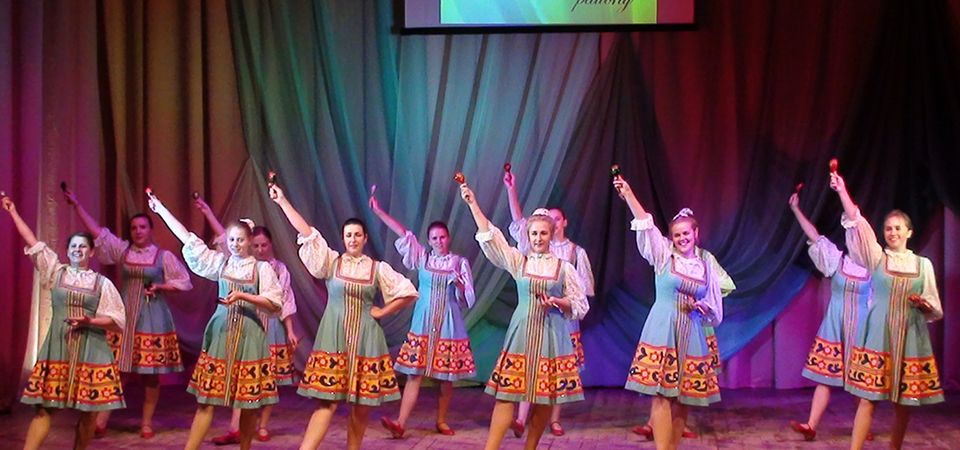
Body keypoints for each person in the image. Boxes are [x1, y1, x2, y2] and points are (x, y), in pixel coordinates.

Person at [269, 183, 418, 450]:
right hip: (334, 337)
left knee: (361, 405)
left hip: (366, 340)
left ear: (365, 239)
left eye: (357, 235)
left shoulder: (377, 269)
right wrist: (282, 201)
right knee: (326, 402)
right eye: (348, 235)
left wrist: (382, 311)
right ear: (343, 238)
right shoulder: (331, 262)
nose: (353, 239)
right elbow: (307, 233)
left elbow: (407, 292)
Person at [148, 192, 283, 450]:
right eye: (231, 239)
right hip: (221, 332)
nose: (235, 244)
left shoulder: (262, 269)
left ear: (250, 241)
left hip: (249, 335)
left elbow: (274, 303)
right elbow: (188, 239)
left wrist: (244, 296)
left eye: (240, 240)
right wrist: (161, 209)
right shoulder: (221, 263)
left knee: (248, 402)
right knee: (206, 398)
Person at [458, 182, 588, 450]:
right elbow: (493, 238)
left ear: (552, 234)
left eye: (543, 233)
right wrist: (473, 204)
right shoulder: (520, 261)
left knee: (544, 397)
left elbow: (579, 304)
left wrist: (558, 302)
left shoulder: (564, 268)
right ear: (528, 235)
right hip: (522, 332)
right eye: (534, 233)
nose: (538, 238)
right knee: (506, 394)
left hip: (552, 335)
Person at [63, 189, 192, 439]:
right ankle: (102, 419)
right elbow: (98, 233)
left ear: (150, 230)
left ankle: (146, 422)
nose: (138, 231)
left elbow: (184, 281)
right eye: (134, 228)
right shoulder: (123, 251)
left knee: (150, 375)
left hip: (152, 318)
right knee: (118, 369)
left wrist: (161, 286)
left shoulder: (163, 256)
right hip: (125, 315)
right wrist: (77, 205)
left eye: (142, 227)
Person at [830, 172, 944, 450]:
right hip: (878, 336)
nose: (892, 233)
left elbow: (934, 306)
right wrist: (842, 192)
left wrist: (924, 305)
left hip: (910, 336)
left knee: (904, 403)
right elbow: (858, 224)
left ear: (909, 232)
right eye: (888, 229)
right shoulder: (877, 258)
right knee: (867, 399)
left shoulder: (923, 265)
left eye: (897, 228)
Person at [3, 194, 125, 450]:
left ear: (91, 252)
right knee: (44, 409)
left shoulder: (102, 283)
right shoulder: (56, 271)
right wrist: (12, 212)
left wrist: (90, 320)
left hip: (92, 350)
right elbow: (33, 242)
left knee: (89, 412)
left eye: (83, 246)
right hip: (58, 348)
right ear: (67, 251)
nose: (77, 250)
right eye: (73, 246)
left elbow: (117, 321)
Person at [613, 176, 723, 450]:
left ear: (696, 234)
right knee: (661, 394)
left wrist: (704, 308)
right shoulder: (664, 255)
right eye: (677, 235)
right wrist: (629, 195)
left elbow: (714, 305)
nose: (682, 238)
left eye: (686, 234)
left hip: (692, 331)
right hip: (663, 328)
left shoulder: (705, 266)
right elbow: (646, 225)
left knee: (685, 397)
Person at [193, 197, 300, 445]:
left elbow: (285, 301)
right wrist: (207, 212)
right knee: (241, 381)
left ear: (269, 244)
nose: (260, 249)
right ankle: (235, 427)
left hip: (267, 325)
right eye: (257, 245)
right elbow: (227, 238)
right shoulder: (237, 263)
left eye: (264, 245)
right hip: (241, 324)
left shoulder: (276, 269)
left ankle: (261, 426)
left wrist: (290, 330)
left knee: (263, 381)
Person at [369, 193, 477, 438]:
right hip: (423, 322)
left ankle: (441, 420)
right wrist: (379, 211)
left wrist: (460, 286)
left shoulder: (459, 263)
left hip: (448, 323)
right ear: (429, 241)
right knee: (414, 373)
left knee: (446, 378)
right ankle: (400, 422)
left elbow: (468, 298)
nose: (439, 241)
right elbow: (403, 233)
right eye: (434, 238)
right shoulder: (423, 258)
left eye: (442, 237)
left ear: (448, 238)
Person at [502, 169, 594, 438]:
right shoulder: (535, 248)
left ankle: (553, 419)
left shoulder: (574, 253)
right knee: (532, 363)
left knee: (555, 369)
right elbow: (519, 223)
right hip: (535, 315)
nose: (547, 225)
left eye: (554, 220)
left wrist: (562, 299)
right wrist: (511, 190)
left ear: (561, 223)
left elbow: (584, 290)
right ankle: (521, 418)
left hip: (563, 317)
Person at [786, 191, 873, 441]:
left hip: (861, 330)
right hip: (835, 327)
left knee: (859, 382)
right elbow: (814, 236)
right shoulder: (838, 260)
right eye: (851, 237)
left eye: (857, 237)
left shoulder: (874, 267)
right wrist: (796, 210)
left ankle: (863, 428)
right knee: (824, 378)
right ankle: (811, 425)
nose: (854, 241)